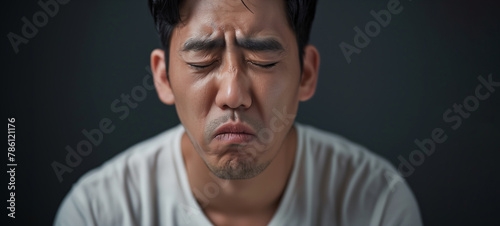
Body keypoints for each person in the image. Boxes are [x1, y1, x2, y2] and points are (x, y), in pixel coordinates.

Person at [54, 0, 422, 225]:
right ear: (164, 77)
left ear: (306, 74)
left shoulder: (377, 204)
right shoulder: (98, 212)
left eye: (263, 59)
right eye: (202, 59)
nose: (233, 94)